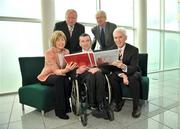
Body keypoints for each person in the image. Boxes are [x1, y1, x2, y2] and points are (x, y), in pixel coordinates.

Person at [37, 31, 77, 120]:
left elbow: (67, 66)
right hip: (47, 76)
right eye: (58, 40)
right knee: (60, 79)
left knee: (66, 80)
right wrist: (66, 70)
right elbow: (55, 70)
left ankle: (67, 106)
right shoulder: (49, 52)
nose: (61, 42)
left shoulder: (67, 51)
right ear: (54, 42)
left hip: (60, 74)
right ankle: (60, 111)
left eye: (63, 40)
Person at [72, 33, 109, 119]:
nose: (85, 43)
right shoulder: (75, 55)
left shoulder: (99, 53)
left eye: (87, 40)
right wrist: (78, 70)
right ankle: (92, 104)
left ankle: (100, 103)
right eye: (83, 41)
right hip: (84, 76)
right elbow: (71, 72)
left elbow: (107, 68)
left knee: (99, 74)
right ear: (80, 43)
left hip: (98, 75)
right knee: (91, 76)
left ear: (91, 42)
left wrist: (99, 69)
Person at [108, 27, 141, 118]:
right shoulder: (112, 50)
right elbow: (112, 68)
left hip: (132, 71)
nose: (118, 40)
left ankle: (136, 106)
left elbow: (133, 68)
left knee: (133, 79)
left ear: (125, 38)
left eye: (120, 37)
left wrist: (123, 66)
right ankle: (119, 102)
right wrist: (123, 75)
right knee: (112, 77)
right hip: (119, 72)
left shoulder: (134, 50)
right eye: (115, 38)